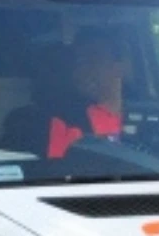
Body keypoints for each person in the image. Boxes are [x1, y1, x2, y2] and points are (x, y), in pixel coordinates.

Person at [45, 29, 127, 158]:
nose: (82, 70)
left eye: (92, 61)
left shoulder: (149, 115)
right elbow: (59, 166)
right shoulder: (64, 122)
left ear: (119, 69)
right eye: (79, 63)